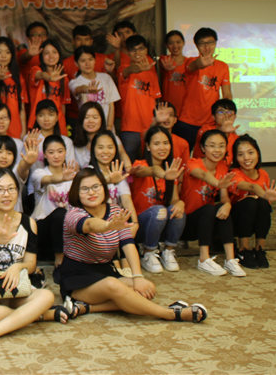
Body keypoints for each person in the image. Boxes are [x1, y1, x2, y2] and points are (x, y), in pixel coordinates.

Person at [58, 167, 208, 323]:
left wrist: (138, 276)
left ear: (104, 188)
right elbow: (89, 225)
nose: (91, 192)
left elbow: (128, 245)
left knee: (146, 288)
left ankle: (86, 308)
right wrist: (108, 226)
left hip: (105, 271)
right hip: (77, 278)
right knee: (114, 286)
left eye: (96, 186)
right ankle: (170, 314)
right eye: (84, 189)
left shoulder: (116, 211)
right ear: (76, 193)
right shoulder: (73, 214)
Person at [0, 168, 70, 353]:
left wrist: (17, 267)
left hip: (17, 287)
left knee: (46, 296)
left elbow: (31, 264)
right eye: (0, 190)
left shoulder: (29, 223)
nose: (7, 194)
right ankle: (41, 316)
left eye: (11, 189)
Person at [181, 129, 244, 277]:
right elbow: (203, 174)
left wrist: (227, 204)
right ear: (203, 148)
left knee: (221, 208)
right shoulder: (193, 163)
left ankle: (230, 259)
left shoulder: (222, 167)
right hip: (188, 222)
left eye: (221, 146)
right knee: (209, 209)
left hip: (207, 223)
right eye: (212, 145)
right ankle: (204, 259)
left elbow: (224, 197)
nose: (217, 150)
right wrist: (217, 183)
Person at [129, 126, 186, 273]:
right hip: (139, 225)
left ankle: (168, 251)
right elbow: (150, 170)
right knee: (159, 211)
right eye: (156, 143)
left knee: (178, 210)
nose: (162, 147)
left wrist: (180, 203)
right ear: (148, 146)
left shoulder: (170, 170)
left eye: (166, 143)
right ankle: (148, 252)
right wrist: (163, 174)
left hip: (161, 223)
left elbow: (174, 200)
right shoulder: (140, 165)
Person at [228, 135, 276, 269]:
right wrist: (264, 194)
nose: (246, 158)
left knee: (263, 204)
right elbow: (250, 186)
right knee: (250, 202)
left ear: (258, 154)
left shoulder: (263, 174)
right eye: (241, 154)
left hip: (255, 219)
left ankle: (259, 249)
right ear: (235, 158)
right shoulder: (234, 173)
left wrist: (265, 198)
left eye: (250, 153)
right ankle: (243, 249)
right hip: (235, 221)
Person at [89, 130, 139, 274]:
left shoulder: (118, 172)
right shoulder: (89, 171)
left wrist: (135, 223)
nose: (105, 151)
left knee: (123, 216)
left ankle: (124, 260)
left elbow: (126, 200)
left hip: (117, 221)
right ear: (93, 150)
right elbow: (91, 196)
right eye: (101, 147)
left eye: (110, 147)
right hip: (98, 220)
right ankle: (114, 260)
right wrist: (109, 180)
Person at [176, 27, 233, 150]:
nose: (207, 47)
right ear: (196, 45)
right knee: (183, 156)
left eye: (210, 43)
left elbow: (227, 94)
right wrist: (200, 64)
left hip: (211, 121)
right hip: (187, 120)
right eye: (202, 44)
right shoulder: (190, 61)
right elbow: (191, 67)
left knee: (209, 155)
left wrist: (228, 114)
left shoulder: (222, 66)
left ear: (215, 43)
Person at [30, 135, 79, 273]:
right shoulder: (39, 173)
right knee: (60, 213)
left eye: (60, 151)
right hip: (43, 230)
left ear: (66, 152)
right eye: (51, 152)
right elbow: (48, 179)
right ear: (45, 155)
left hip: (67, 231)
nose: (56, 156)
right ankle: (59, 260)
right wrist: (62, 178)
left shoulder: (74, 175)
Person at [118, 34, 161, 163]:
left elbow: (156, 99)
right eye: (133, 50)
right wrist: (139, 68)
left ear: (146, 50)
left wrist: (156, 123)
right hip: (130, 128)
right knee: (128, 165)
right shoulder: (123, 68)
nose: (137, 53)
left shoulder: (152, 72)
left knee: (149, 163)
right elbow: (128, 71)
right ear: (128, 52)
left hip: (149, 126)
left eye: (141, 49)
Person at [68, 45, 120, 130]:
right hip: (88, 128)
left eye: (90, 59)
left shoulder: (106, 78)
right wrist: (86, 89)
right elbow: (78, 89)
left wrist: (109, 128)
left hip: (108, 129)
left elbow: (111, 105)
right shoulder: (74, 82)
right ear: (76, 63)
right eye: (83, 61)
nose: (87, 64)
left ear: (95, 60)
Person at [27, 39, 71, 135]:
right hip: (37, 125)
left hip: (58, 127)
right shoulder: (35, 70)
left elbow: (62, 106)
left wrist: (62, 126)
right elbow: (41, 75)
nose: (51, 56)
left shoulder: (64, 78)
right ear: (41, 56)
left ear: (59, 54)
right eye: (47, 53)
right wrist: (49, 78)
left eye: (54, 52)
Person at [72, 101, 130, 170]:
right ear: (81, 120)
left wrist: (128, 169)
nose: (91, 121)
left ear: (101, 120)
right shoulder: (75, 144)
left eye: (95, 117)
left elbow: (122, 154)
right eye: (86, 117)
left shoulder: (110, 137)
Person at [193, 98, 240, 164]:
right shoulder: (205, 129)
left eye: (229, 112)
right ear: (213, 117)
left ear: (234, 117)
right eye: (221, 112)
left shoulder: (236, 138)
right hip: (202, 167)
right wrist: (223, 131)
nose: (226, 115)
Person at [159, 30, 193, 114]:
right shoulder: (164, 60)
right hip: (168, 108)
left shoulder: (190, 62)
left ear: (183, 43)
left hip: (186, 109)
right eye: (171, 43)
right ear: (167, 45)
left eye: (178, 42)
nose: (175, 46)